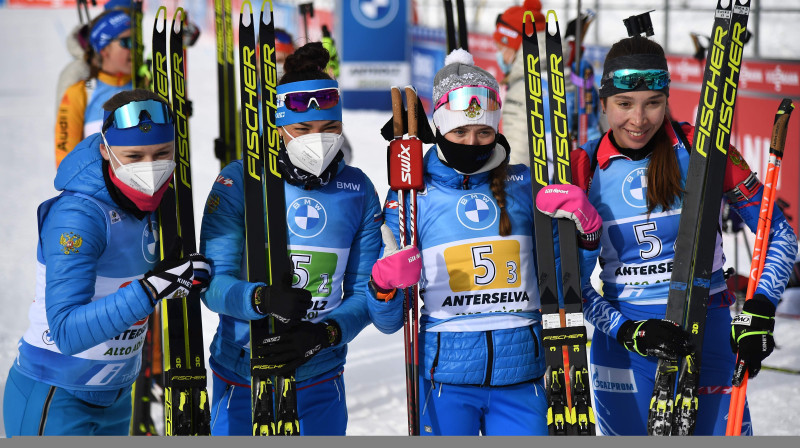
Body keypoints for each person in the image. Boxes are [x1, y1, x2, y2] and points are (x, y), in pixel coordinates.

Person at [553, 36, 798, 435]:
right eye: (624, 104)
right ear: (603, 104)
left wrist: (761, 309)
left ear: (667, 99)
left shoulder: (703, 149)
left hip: (709, 333)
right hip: (626, 345)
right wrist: (627, 331)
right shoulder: (583, 167)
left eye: (653, 102)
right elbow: (571, 286)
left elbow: (780, 236)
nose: (638, 118)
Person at [368, 49, 557, 436]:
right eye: (460, 132)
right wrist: (384, 287)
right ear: (438, 128)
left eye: (484, 131)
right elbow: (388, 322)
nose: (472, 142)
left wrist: (581, 235)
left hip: (522, 378)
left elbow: (568, 283)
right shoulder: (410, 195)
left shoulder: (524, 185)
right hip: (446, 382)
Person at [199, 42, 382, 436]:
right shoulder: (239, 181)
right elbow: (212, 284)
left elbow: (365, 294)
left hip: (321, 374)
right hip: (242, 372)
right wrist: (260, 299)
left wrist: (325, 334)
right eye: (302, 129)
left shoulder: (357, 189)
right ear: (278, 126)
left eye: (330, 128)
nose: (317, 139)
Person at [3, 89, 210, 436]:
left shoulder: (159, 204)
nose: (151, 168)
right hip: (56, 394)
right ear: (105, 150)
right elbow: (67, 332)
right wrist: (153, 288)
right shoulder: (79, 216)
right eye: (133, 156)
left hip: (116, 397)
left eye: (162, 154)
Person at [493, 0, 600, 165]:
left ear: (514, 46)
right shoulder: (576, 76)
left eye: (500, 48)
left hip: (541, 186)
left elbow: (518, 159)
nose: (499, 55)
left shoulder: (524, 89)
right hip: (585, 176)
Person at [56, 7, 133, 167]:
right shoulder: (81, 92)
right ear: (104, 49)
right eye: (127, 42)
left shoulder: (145, 85)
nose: (134, 49)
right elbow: (65, 158)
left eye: (136, 42)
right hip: (97, 190)